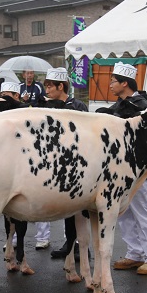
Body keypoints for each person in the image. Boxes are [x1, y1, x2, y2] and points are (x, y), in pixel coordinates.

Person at [98, 62, 147, 275]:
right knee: (123, 213)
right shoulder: (119, 105)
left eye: (114, 81)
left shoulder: (143, 107)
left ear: (124, 83)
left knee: (143, 211)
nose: (110, 85)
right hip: (118, 170)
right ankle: (135, 253)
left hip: (139, 170)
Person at [40, 67, 89, 257]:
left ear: (61, 86)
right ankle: (69, 244)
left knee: (79, 208)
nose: (47, 90)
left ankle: (81, 245)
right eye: (46, 86)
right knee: (65, 207)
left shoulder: (78, 106)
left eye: (50, 86)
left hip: (76, 162)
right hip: (55, 161)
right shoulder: (45, 105)